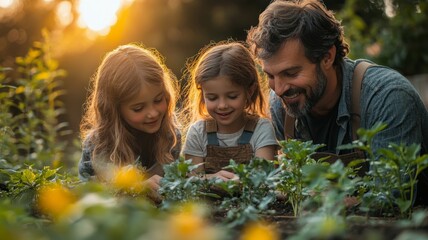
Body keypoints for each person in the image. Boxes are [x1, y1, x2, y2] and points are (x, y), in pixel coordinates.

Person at [246, 0, 428, 204]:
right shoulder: (282, 106)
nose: (279, 89)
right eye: (270, 75)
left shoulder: (387, 97)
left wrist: (307, 198)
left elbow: (390, 199)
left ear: (327, 57)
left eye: (291, 73)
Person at [78, 43, 181, 192]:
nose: (153, 113)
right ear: (114, 110)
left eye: (158, 100)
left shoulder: (171, 135)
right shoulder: (97, 145)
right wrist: (135, 190)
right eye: (138, 108)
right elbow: (88, 196)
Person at [181, 41, 279, 181]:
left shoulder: (261, 129)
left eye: (232, 96)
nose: (222, 105)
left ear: (249, 91)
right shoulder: (198, 132)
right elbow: (191, 180)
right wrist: (212, 179)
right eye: (212, 97)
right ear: (202, 94)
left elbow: (264, 178)